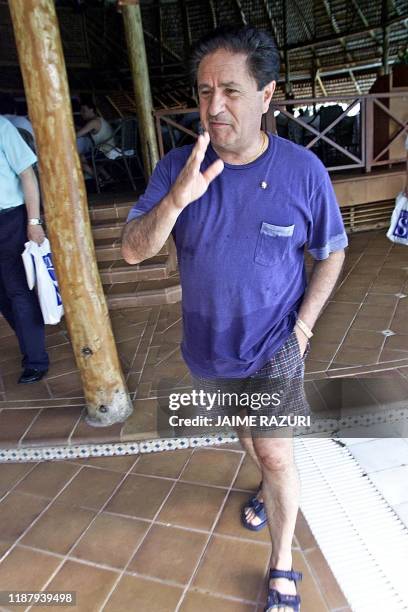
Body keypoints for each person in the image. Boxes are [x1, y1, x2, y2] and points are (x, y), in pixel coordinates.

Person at [122, 26, 347, 612]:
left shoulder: (304, 172)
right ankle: (265, 482)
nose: (214, 107)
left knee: (275, 451)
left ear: (267, 95)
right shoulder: (179, 166)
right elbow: (132, 249)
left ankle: (280, 567)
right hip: (209, 347)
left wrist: (302, 329)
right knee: (249, 435)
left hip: (275, 342)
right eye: (203, 92)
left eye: (230, 91)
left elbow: (333, 251)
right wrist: (177, 199)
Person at [0, 116, 49, 383]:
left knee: (18, 290)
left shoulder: (2, 127)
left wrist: (34, 221)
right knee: (2, 296)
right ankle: (29, 345)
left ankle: (36, 360)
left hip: (10, 219)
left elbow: (27, 174)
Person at [76, 98, 115, 183]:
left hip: (105, 151)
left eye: (84, 111)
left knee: (79, 158)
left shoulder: (93, 122)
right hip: (110, 149)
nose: (82, 113)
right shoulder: (100, 120)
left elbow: (77, 135)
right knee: (90, 159)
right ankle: (108, 178)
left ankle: (98, 180)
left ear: (91, 110)